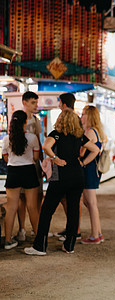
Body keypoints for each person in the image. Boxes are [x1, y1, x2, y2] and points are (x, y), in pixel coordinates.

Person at [24, 109, 100, 255]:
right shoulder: (80, 136)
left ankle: (40, 246)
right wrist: (83, 163)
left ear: (60, 120)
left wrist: (55, 158)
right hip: (77, 176)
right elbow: (96, 150)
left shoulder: (56, 134)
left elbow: (46, 146)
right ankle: (69, 245)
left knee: (47, 211)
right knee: (73, 210)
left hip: (61, 176)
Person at [2, 110, 40, 249]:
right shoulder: (32, 138)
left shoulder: (6, 139)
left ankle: (7, 241)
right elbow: (36, 158)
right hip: (29, 171)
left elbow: (6, 159)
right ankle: (38, 238)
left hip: (13, 172)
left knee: (11, 207)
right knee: (32, 207)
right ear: (25, 122)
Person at [53, 92, 82, 241]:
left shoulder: (68, 119)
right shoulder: (77, 119)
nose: (58, 105)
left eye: (59, 102)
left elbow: (80, 142)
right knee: (71, 202)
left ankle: (74, 231)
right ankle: (71, 232)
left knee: (70, 204)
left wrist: (54, 158)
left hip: (65, 168)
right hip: (75, 169)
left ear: (63, 104)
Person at [15, 91, 43, 242]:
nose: (35, 106)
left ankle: (35, 228)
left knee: (37, 197)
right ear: (24, 102)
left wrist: (42, 164)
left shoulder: (36, 120)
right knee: (21, 198)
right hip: (22, 164)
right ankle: (22, 229)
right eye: (33, 102)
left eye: (36, 103)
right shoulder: (18, 118)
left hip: (34, 164)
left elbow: (39, 141)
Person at [80, 105, 107, 244]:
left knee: (90, 203)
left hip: (89, 170)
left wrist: (83, 162)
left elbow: (84, 152)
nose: (81, 116)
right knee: (90, 202)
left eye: (83, 114)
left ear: (89, 116)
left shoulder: (89, 132)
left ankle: (95, 235)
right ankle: (98, 232)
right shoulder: (98, 131)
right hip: (94, 170)